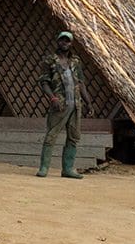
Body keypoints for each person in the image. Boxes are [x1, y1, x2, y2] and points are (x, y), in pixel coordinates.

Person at [36, 31, 93, 179]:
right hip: (59, 104)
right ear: (58, 42)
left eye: (67, 41)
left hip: (75, 105)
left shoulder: (75, 61)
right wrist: (52, 98)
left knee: (73, 137)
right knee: (51, 135)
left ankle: (67, 169)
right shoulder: (49, 60)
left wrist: (88, 103)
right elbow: (44, 82)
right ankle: (44, 168)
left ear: (71, 43)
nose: (64, 43)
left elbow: (81, 84)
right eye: (62, 40)